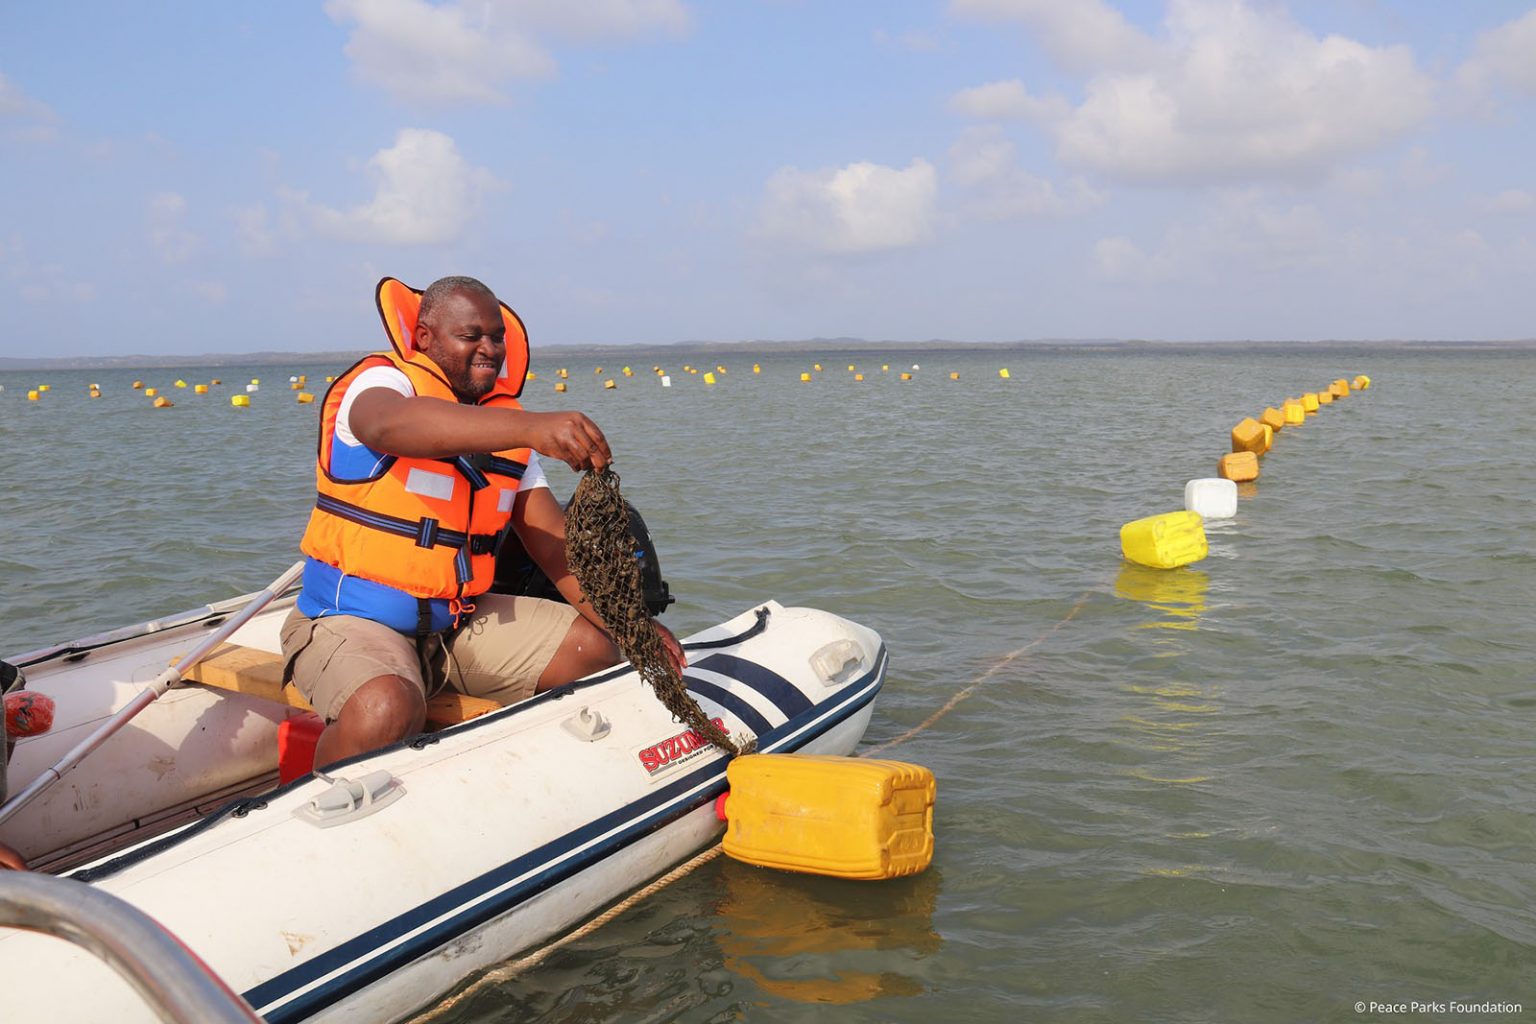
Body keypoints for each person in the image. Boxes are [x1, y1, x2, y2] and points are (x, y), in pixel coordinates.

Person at [281, 276, 682, 768]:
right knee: (386, 707)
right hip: (351, 620)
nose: (489, 349)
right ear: (425, 337)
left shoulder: (508, 432)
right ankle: (307, 799)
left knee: (591, 649)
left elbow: (556, 550)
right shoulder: (383, 383)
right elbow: (384, 425)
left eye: (497, 337)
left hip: (453, 622)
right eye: (471, 337)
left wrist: (634, 628)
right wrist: (532, 427)